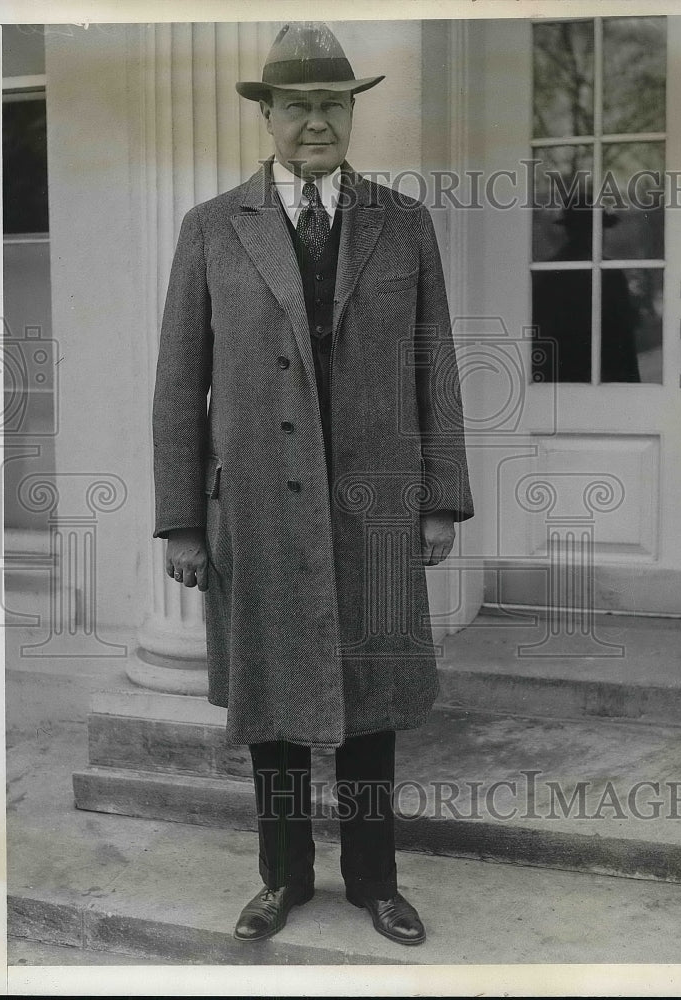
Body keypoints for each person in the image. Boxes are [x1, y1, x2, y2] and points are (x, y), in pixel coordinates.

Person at [152, 21, 474, 947]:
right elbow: (180, 382)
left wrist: (439, 499)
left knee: (371, 699)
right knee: (274, 703)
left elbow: (435, 369)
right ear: (269, 116)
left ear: (351, 112)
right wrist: (181, 521)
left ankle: (376, 881)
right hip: (253, 504)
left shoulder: (401, 224)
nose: (316, 121)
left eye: (332, 104)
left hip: (375, 507)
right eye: (297, 105)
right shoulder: (213, 227)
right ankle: (281, 880)